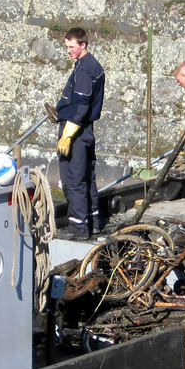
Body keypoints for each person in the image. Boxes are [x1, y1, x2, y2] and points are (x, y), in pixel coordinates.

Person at [55, 27, 105, 240]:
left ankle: (79, 227)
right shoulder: (90, 65)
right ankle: (94, 221)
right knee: (87, 176)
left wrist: (67, 134)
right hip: (85, 131)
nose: (68, 51)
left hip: (76, 131)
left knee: (74, 179)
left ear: (83, 44)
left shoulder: (85, 70)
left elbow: (82, 105)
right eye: (66, 47)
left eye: (72, 47)